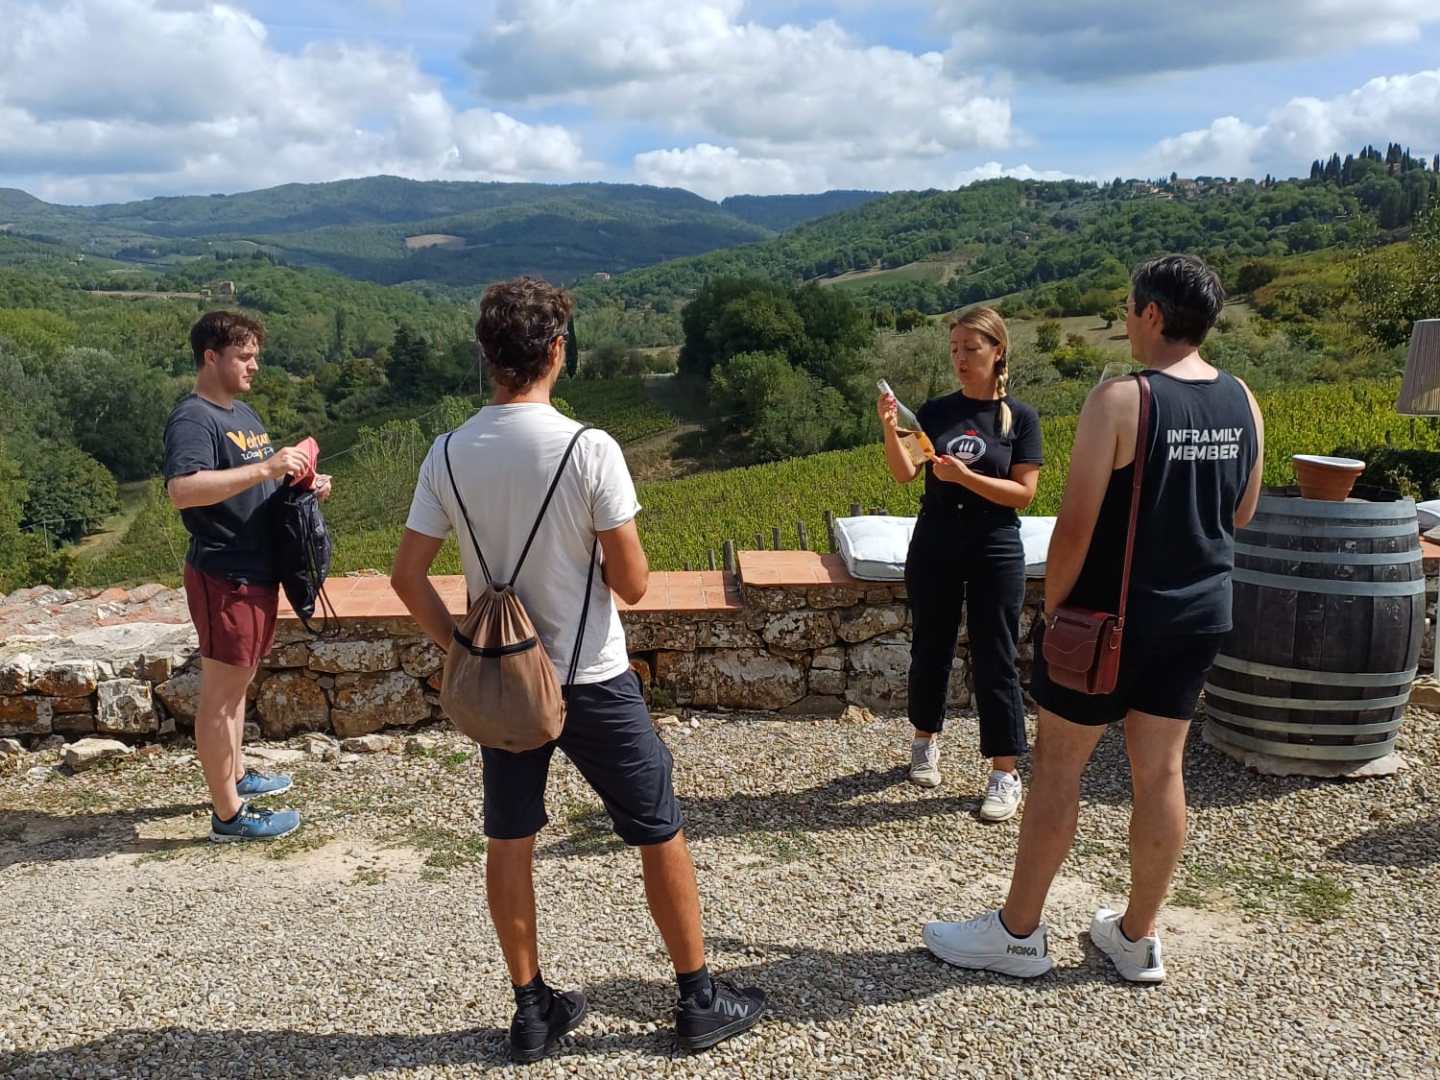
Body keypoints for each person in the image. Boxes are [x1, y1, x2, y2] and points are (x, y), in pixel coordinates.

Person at [389, 276, 766, 1063]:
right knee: (658, 829)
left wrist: (461, 648)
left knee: (510, 839)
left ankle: (532, 1011)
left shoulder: (447, 452)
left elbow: (407, 578)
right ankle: (697, 999)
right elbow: (631, 583)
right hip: (591, 676)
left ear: (486, 355)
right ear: (557, 350)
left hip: (503, 684)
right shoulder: (589, 448)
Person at [922, 254, 1265, 982]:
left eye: (1129, 307)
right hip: (1199, 613)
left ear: (1150, 314)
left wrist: (1056, 611)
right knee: (1162, 769)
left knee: (1058, 769)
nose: (1125, 318)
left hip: (1108, 620)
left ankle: (1017, 935)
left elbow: (1073, 528)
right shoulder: (1245, 401)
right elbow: (1242, 512)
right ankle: (1137, 935)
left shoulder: (1122, 400)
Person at [164, 311, 332, 842]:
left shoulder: (243, 414)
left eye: (255, 354)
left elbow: (253, 490)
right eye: (244, 355)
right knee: (220, 695)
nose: (254, 365)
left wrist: (300, 484)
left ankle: (235, 773)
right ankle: (228, 815)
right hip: (226, 574)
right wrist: (265, 467)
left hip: (255, 573)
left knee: (238, 688)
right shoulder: (194, 419)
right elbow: (183, 490)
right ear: (211, 357)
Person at [877, 306, 1042, 821]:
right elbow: (907, 473)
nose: (961, 359)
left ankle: (1004, 772)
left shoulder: (1020, 418)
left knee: (996, 654)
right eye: (954, 349)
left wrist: (966, 477)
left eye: (971, 349)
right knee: (931, 644)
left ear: (998, 352)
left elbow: (1023, 494)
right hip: (936, 541)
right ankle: (924, 742)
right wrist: (888, 429)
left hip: (994, 544)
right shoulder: (935, 412)